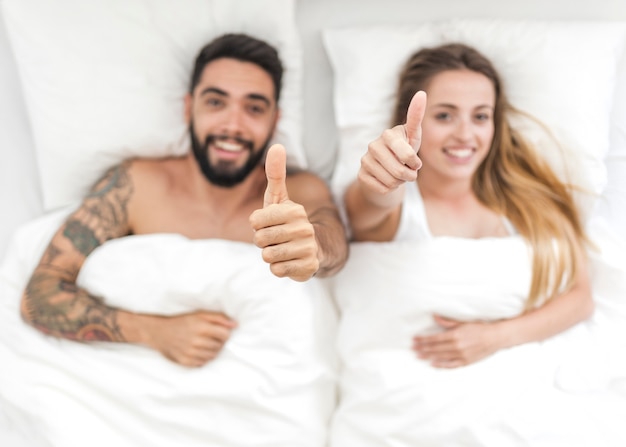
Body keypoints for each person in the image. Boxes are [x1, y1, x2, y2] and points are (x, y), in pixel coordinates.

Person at [19, 33, 349, 368]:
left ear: (274, 120)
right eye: (216, 102)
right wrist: (156, 332)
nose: (232, 125)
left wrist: (315, 246)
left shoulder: (301, 192)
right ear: (189, 108)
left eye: (254, 107)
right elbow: (40, 295)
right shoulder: (135, 186)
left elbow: (335, 247)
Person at [343, 42, 593, 368]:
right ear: (410, 122)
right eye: (445, 115)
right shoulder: (398, 207)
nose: (465, 134)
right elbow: (372, 202)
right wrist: (382, 176)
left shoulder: (532, 201)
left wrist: (493, 338)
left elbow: (582, 297)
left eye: (480, 116)